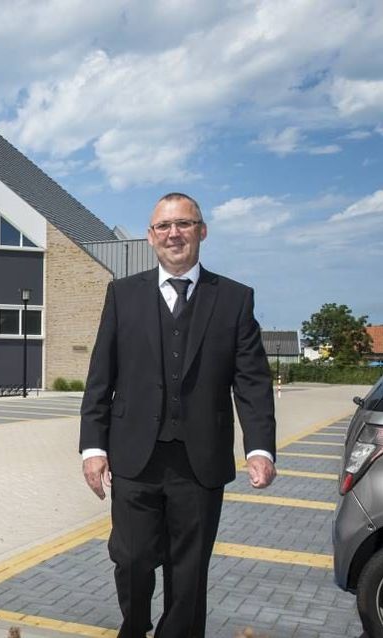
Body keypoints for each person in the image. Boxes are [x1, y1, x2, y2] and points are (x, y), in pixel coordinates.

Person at [79, 192, 276, 637]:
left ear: (201, 231)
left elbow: (252, 383)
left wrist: (260, 447)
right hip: (134, 458)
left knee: (188, 574)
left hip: (199, 461)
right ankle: (134, 627)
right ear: (150, 237)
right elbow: (99, 379)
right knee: (130, 559)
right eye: (164, 226)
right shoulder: (122, 295)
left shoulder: (234, 300)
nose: (174, 234)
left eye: (184, 224)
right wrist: (93, 448)